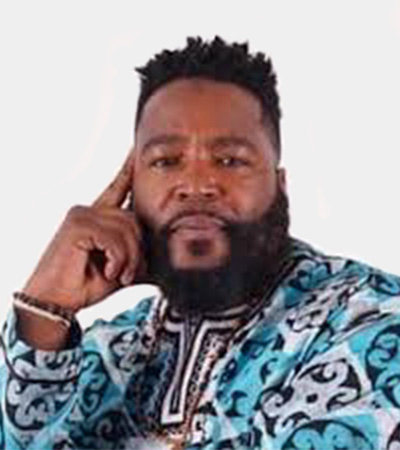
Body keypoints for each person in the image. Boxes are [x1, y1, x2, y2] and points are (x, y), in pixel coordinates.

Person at [1, 36, 400, 450]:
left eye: (230, 160)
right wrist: (42, 314)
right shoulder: (107, 352)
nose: (195, 185)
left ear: (280, 186)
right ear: (132, 187)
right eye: (166, 161)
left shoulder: (370, 324)